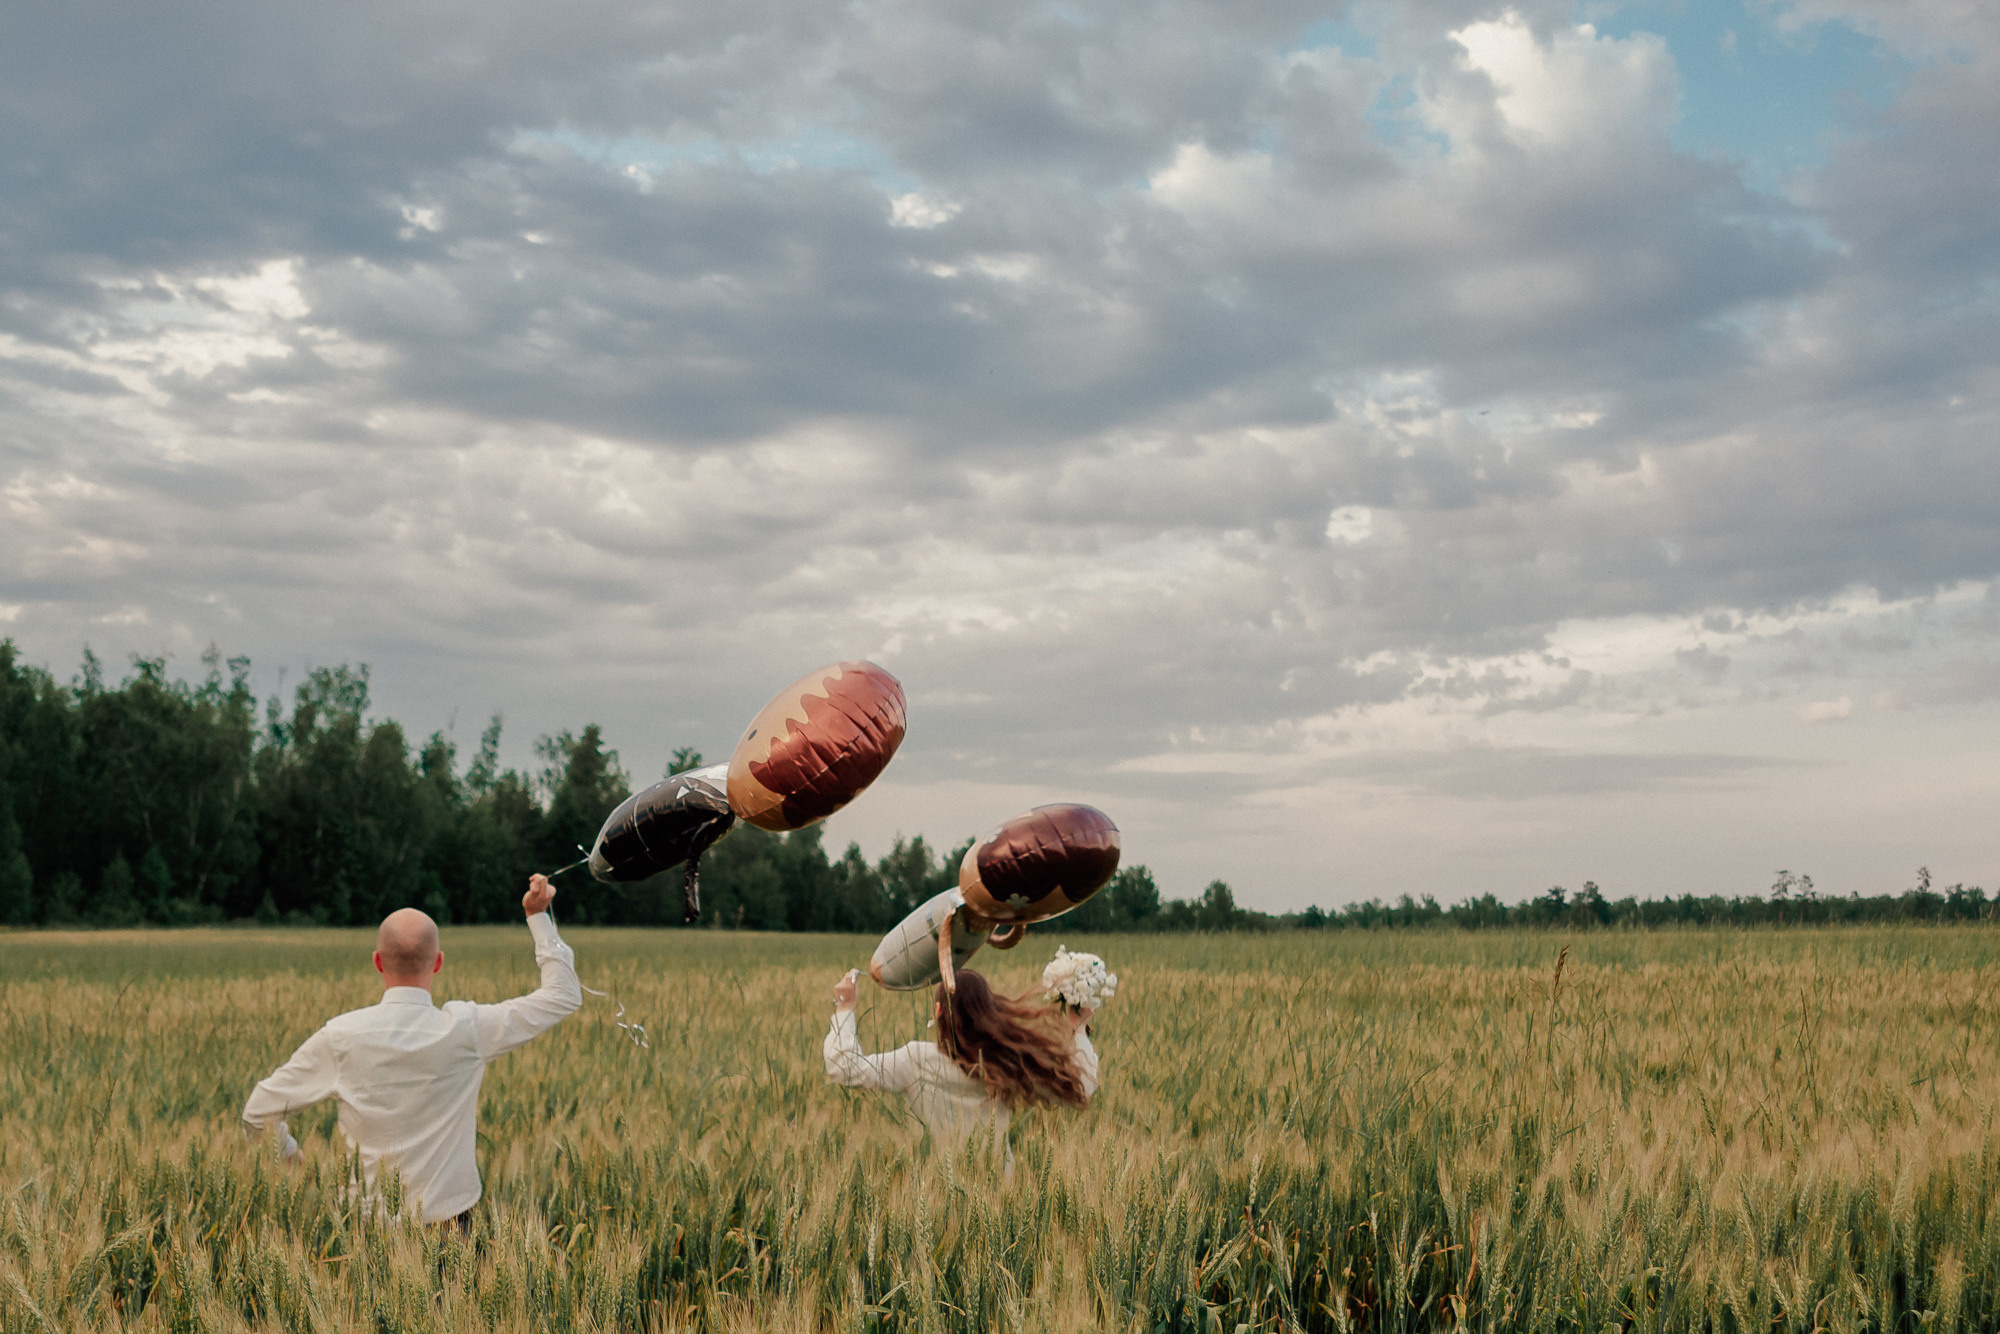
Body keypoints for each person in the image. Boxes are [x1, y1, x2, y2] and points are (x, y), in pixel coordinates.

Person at [242, 874, 581, 1226]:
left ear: (377, 962)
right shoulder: (467, 1029)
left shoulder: (340, 1037)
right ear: (438, 962)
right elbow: (563, 995)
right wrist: (538, 915)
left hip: (362, 1232)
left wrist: (293, 1161)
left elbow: (256, 1113)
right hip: (452, 1232)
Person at [823, 966, 1097, 1156]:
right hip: (999, 1192)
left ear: (938, 1011)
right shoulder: (1006, 1061)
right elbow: (1083, 1086)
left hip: (936, 1194)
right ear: (989, 1011)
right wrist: (1079, 1030)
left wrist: (844, 1007)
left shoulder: (915, 1059)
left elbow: (844, 1068)